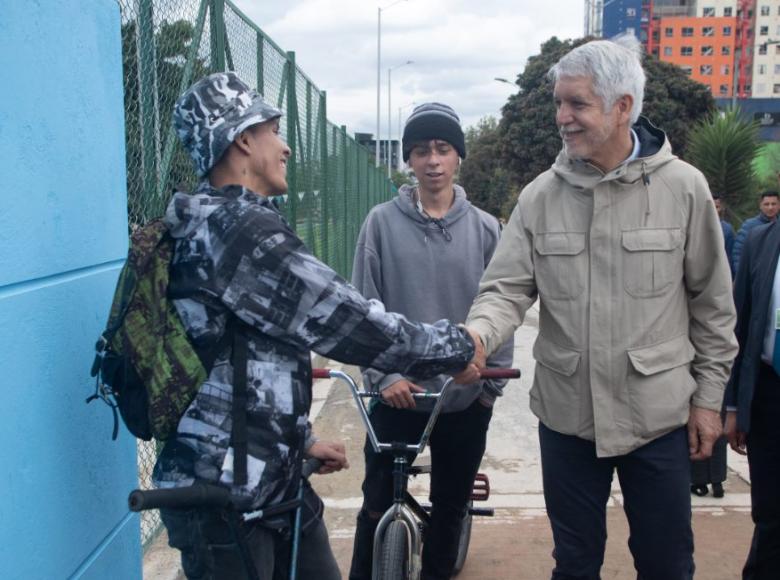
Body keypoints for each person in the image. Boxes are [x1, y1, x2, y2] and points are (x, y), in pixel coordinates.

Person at [152, 72, 484, 580]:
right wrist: (458, 345)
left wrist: (299, 439)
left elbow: (245, 359)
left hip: (268, 477)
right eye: (274, 132)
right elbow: (352, 323)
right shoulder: (237, 232)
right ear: (243, 139)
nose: (285, 148)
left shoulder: (213, 221)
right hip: (228, 495)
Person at [462, 35, 737, 580]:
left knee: (666, 563)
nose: (562, 117)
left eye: (577, 103)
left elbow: (713, 306)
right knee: (575, 563)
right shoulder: (541, 195)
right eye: (559, 102)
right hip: (568, 418)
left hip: (658, 420)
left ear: (622, 107)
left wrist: (708, 400)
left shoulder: (683, 188)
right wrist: (476, 337)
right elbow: (506, 289)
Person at [347, 103, 514, 580]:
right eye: (421, 151)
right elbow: (365, 308)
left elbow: (502, 306)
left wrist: (486, 391)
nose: (433, 161)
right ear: (409, 160)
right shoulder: (380, 223)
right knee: (376, 501)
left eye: (443, 149)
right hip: (398, 396)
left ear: (458, 156)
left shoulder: (485, 228)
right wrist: (386, 376)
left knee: (450, 506)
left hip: (462, 399)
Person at [724, 220, 780, 579]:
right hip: (769, 394)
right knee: (771, 510)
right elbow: (737, 328)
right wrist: (732, 406)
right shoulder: (761, 242)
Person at [732, 191, 779, 273]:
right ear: (760, 206)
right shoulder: (749, 226)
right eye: (766, 204)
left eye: (774, 204)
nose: (770, 207)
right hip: (756, 275)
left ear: (779, 205)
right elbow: (738, 253)